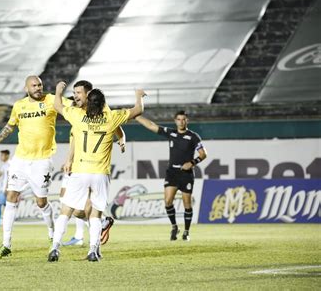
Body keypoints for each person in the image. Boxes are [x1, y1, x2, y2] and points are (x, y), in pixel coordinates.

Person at [49, 82, 145, 262]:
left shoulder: (77, 115)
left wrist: (58, 90)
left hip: (80, 170)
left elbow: (57, 106)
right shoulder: (111, 118)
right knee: (95, 214)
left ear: (88, 100)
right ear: (103, 104)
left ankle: (54, 248)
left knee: (66, 210)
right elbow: (138, 110)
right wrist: (139, 95)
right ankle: (93, 250)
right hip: (100, 173)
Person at [0, 75, 71, 259]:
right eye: (34, 85)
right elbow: (8, 128)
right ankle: (6, 244)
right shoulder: (19, 106)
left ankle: (52, 236)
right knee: (11, 197)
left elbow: (75, 107)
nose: (38, 88)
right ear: (26, 88)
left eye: (40, 85)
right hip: (20, 160)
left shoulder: (52, 100)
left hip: (42, 160)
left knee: (41, 202)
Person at [61, 80, 124, 247]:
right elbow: (74, 137)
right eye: (74, 93)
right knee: (76, 210)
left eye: (79, 93)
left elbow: (115, 125)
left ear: (88, 95)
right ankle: (100, 224)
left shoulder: (102, 110)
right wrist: (69, 159)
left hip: (90, 166)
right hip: (77, 163)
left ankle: (84, 237)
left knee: (78, 206)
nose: (75, 96)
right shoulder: (75, 107)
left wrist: (122, 139)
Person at [135, 111, 207, 241]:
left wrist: (192, 162)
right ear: (175, 121)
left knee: (187, 204)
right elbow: (151, 125)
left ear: (187, 121)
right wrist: (136, 116)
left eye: (183, 119)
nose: (181, 122)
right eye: (179, 119)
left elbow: (203, 154)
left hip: (186, 175)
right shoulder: (171, 133)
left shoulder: (193, 136)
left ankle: (186, 231)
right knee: (168, 201)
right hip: (172, 173)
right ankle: (174, 227)